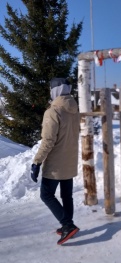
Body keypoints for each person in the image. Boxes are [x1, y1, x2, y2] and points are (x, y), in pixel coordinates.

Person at [31, 78, 80, 245]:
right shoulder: (74, 109)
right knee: (67, 195)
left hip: (55, 163)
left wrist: (37, 162)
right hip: (70, 159)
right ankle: (68, 223)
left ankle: (67, 225)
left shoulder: (53, 112)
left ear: (55, 91)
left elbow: (48, 141)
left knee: (46, 194)